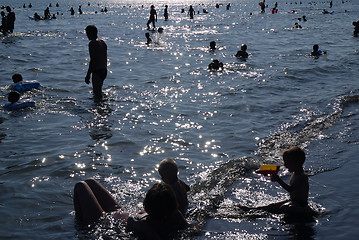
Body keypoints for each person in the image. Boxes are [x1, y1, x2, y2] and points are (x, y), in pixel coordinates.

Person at [73, 179, 188, 239]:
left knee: (81, 185)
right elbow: (192, 229)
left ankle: (81, 225)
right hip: (118, 211)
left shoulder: (145, 225)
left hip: (103, 221)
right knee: (89, 182)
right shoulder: (175, 214)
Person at [239, 146, 314, 216]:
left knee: (284, 208)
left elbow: (290, 189)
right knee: (272, 206)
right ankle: (252, 209)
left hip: (301, 204)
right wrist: (273, 177)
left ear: (296, 163)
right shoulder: (295, 173)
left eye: (287, 163)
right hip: (293, 201)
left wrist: (278, 180)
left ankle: (306, 212)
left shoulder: (301, 176)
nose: (285, 165)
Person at [85, 25, 108, 99]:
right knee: (99, 92)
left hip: (97, 70)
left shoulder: (92, 43)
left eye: (87, 33)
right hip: (104, 70)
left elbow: (93, 60)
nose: (87, 35)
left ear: (91, 33)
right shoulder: (103, 42)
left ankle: (99, 109)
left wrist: (88, 75)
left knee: (97, 95)